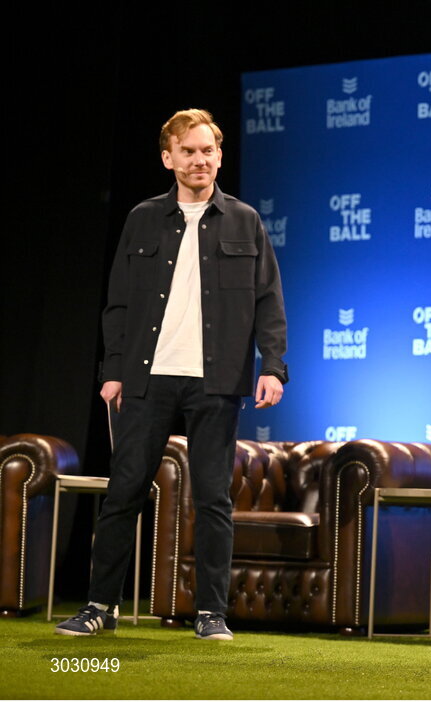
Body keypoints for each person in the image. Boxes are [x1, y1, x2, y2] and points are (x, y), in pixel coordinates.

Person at [55, 109, 288, 641]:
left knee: (213, 498)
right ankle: (98, 607)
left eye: (208, 150)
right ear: (169, 158)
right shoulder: (142, 218)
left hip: (217, 381)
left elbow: (268, 301)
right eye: (189, 151)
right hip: (147, 377)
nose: (200, 160)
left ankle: (211, 613)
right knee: (125, 491)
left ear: (219, 156)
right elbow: (117, 303)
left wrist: (272, 366)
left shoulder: (245, 221)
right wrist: (112, 370)